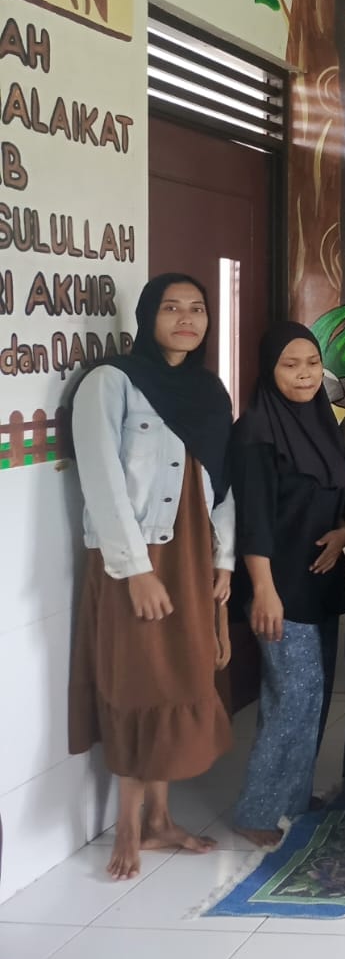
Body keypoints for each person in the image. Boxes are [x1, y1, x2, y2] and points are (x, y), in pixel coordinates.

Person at [68, 273, 236, 881]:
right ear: (147, 317)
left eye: (197, 309)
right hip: (137, 556)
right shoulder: (110, 382)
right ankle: (128, 823)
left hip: (191, 553)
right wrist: (135, 570)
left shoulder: (209, 391)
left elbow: (224, 482)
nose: (186, 319)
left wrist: (223, 560)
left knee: (180, 678)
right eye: (171, 308)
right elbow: (101, 479)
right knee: (137, 681)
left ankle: (161, 819)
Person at [229, 322, 345, 847]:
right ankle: (258, 812)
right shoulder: (256, 431)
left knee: (313, 695)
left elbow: (338, 492)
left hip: (319, 580)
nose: (305, 375)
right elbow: (252, 519)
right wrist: (263, 589)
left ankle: (294, 797)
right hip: (278, 585)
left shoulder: (323, 420)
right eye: (290, 364)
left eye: (312, 363)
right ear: (269, 369)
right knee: (291, 696)